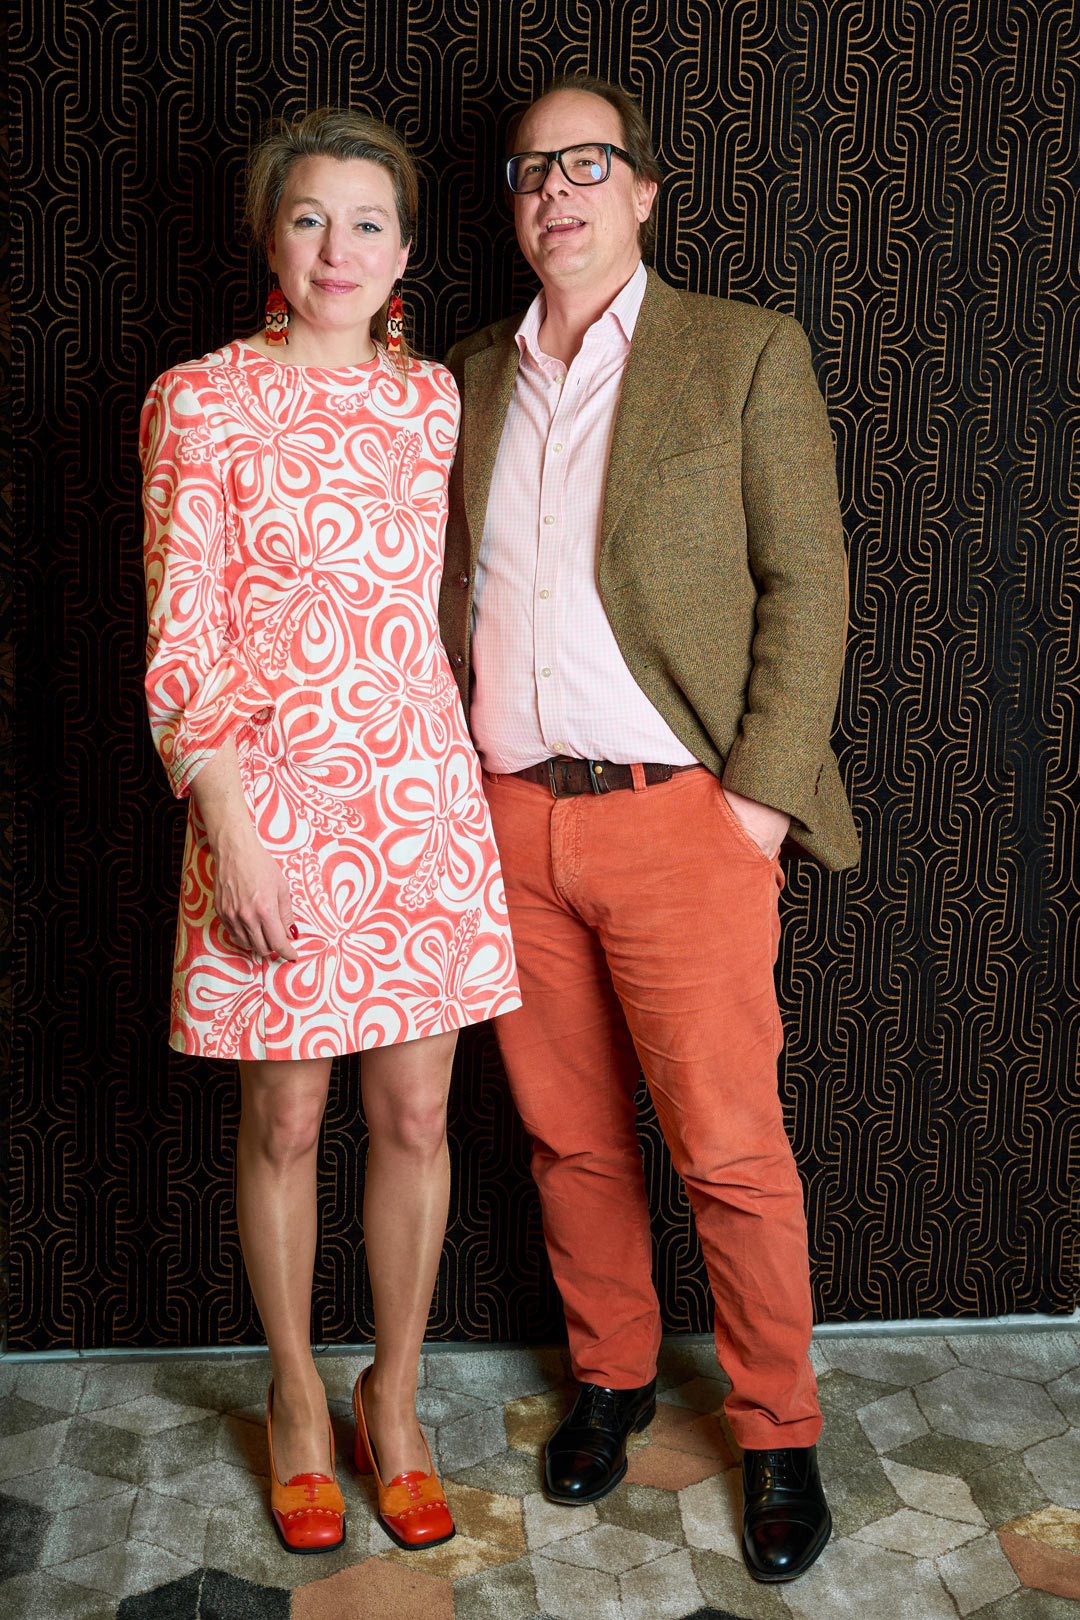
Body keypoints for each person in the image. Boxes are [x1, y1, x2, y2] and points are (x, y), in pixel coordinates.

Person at [438, 75, 859, 1584]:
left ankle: (780, 1431)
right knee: (570, 1140)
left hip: (681, 818)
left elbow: (809, 582)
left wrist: (755, 804)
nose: (556, 190)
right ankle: (610, 1379)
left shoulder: (742, 351)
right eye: (531, 170)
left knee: (730, 1149)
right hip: (511, 825)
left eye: (588, 164)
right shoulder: (464, 377)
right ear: (513, 205)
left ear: (643, 192)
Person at [140, 107, 519, 1556]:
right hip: (268, 808)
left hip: (418, 805)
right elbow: (182, 632)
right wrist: (227, 824)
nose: (337, 248)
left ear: (406, 251)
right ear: (270, 237)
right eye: (309, 218)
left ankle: (395, 1396)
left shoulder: (433, 403)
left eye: (368, 222)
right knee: (288, 1118)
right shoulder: (199, 400)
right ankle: (299, 1397)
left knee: (417, 1115)